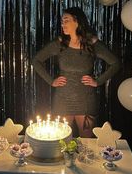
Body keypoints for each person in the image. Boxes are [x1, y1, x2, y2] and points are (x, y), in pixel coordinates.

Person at [32, 7, 121, 138]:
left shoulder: (92, 43)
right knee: (61, 141)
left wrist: (97, 81)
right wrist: (51, 81)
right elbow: (36, 60)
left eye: (66, 20)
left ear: (77, 21)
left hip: (85, 100)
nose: (63, 24)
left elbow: (115, 63)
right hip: (62, 100)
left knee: (87, 142)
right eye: (62, 21)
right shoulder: (60, 43)